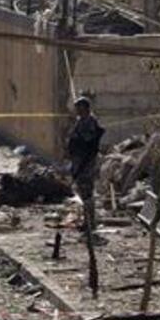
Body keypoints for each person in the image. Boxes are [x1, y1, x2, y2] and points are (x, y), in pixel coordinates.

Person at [68, 97, 105, 231]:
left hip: (86, 162)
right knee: (83, 193)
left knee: (87, 192)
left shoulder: (89, 123)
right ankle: (87, 222)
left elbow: (88, 142)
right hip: (80, 161)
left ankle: (90, 222)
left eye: (80, 107)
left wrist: (81, 163)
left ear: (86, 109)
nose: (77, 110)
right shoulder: (81, 121)